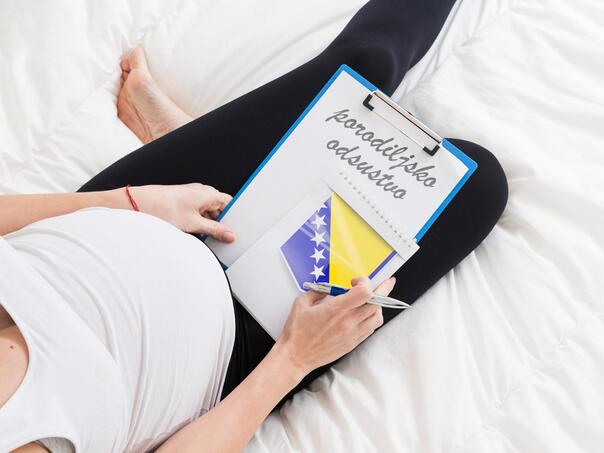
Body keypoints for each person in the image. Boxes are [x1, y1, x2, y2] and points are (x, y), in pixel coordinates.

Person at [0, 0, 508, 451]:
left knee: (363, 65)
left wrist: (131, 200)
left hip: (135, 211)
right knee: (475, 182)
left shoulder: (134, 203)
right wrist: (294, 358)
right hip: (240, 332)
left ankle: (199, 158)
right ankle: (222, 169)